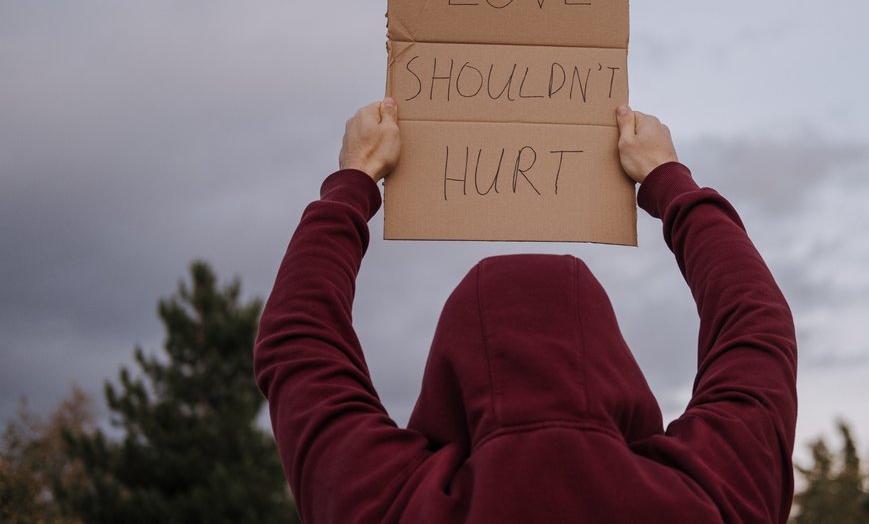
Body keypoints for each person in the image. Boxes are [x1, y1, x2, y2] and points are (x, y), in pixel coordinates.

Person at [254, 98, 797, 524]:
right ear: (614, 365)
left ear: (450, 377)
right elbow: (756, 327)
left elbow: (300, 343)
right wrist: (668, 179)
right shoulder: (711, 498)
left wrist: (356, 178)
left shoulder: (386, 504)